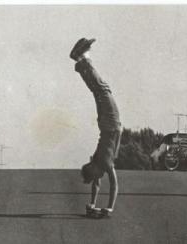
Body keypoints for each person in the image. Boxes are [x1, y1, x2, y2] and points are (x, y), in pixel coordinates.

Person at [70, 38, 121, 217]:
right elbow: (99, 182)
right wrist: (93, 204)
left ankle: (82, 59)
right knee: (99, 90)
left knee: (102, 89)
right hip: (106, 124)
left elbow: (113, 184)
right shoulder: (98, 161)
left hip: (111, 124)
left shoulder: (102, 162)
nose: (98, 178)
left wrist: (109, 208)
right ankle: (80, 61)